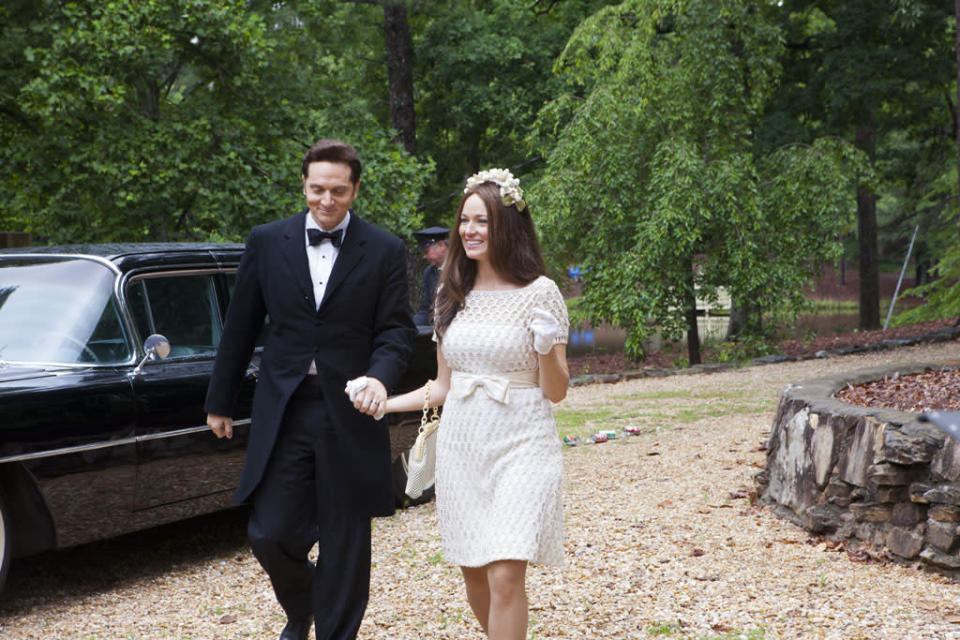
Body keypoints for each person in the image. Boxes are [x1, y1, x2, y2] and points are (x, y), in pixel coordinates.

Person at [204, 139, 415, 640]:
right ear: (304, 184)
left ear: (355, 190)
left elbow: (395, 332)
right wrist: (219, 400)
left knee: (345, 541)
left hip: (351, 413)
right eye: (317, 189)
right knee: (269, 532)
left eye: (338, 191)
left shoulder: (385, 249)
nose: (326, 200)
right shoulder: (266, 240)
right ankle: (302, 607)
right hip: (286, 409)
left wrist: (380, 378)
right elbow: (241, 325)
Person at [370, 168, 569, 640]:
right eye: (465, 221)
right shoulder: (450, 291)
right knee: (475, 574)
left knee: (505, 574)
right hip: (463, 444)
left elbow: (557, 391)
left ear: (508, 225)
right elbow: (441, 386)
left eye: (483, 221)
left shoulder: (540, 292)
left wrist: (544, 346)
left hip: (523, 441)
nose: (470, 230)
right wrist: (385, 402)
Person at [411, 226, 449, 326]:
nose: (424, 256)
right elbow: (425, 310)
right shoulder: (429, 273)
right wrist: (409, 325)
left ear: (441, 246)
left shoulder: (464, 268)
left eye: (426, 252)